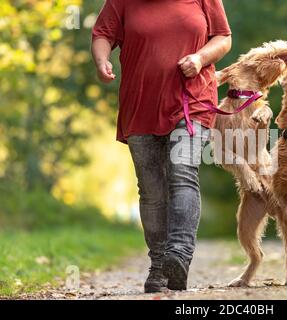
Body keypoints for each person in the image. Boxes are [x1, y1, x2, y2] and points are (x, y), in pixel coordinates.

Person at [91, 0, 232, 292]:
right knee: (151, 188)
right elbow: (103, 33)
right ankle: (158, 266)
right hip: (140, 103)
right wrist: (102, 60)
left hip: (191, 100)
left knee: (183, 172)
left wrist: (200, 58)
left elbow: (223, 37)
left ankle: (178, 255)